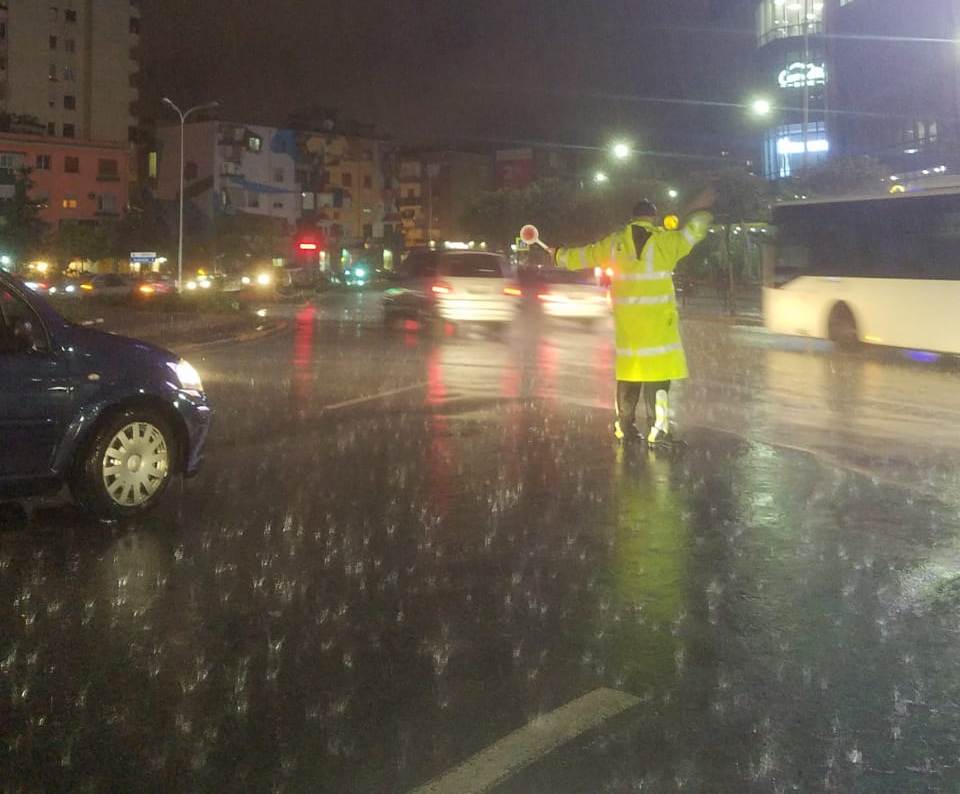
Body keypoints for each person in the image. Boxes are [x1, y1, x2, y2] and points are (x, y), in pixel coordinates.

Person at [554, 189, 715, 445]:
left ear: (633, 218)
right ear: (653, 217)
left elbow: (584, 255)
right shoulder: (665, 242)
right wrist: (701, 210)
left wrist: (558, 255)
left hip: (628, 327)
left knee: (629, 375)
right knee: (657, 379)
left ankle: (624, 427)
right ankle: (658, 431)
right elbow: (692, 233)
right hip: (657, 328)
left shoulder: (614, 244)